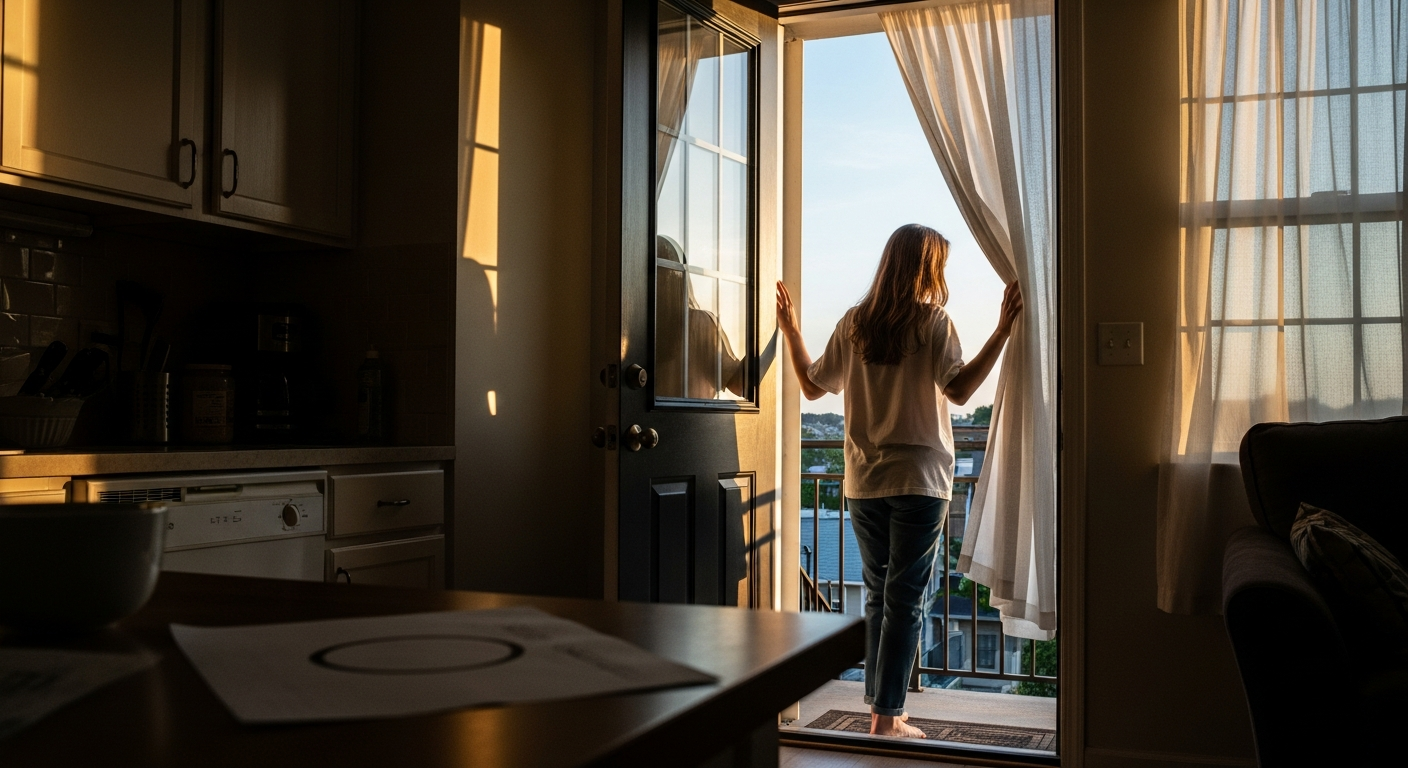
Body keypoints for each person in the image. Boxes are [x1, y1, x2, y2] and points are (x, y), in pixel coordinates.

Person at [776, 223, 1022, 739]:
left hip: (864, 481)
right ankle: (886, 718)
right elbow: (958, 391)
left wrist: (793, 330)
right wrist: (1001, 332)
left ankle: (880, 710)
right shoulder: (933, 322)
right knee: (905, 599)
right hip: (919, 479)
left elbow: (811, 385)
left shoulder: (854, 324)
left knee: (877, 596)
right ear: (925, 267)